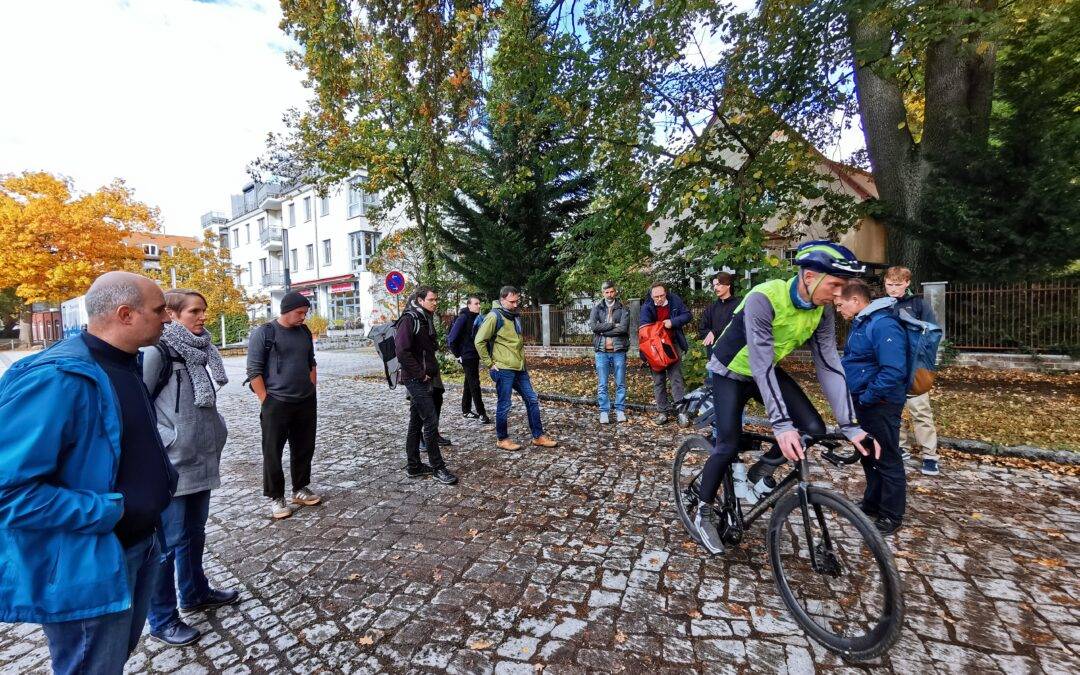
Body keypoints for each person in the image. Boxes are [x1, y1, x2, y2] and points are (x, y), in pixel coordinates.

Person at [0, 271, 177, 674]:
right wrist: (109, 511)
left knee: (112, 658)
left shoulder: (126, 365)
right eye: (158, 309)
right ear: (125, 314)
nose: (167, 317)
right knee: (89, 664)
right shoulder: (58, 378)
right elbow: (8, 492)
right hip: (91, 561)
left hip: (142, 543)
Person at [693, 241, 880, 554]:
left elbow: (829, 363)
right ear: (809, 276)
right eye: (835, 285)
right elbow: (760, 360)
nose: (840, 295)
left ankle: (760, 470)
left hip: (763, 370)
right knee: (727, 444)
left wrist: (850, 425)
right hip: (730, 371)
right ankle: (703, 510)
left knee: (814, 429)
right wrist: (780, 425)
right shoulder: (763, 298)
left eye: (844, 286)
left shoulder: (821, 311)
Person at [141, 289, 238, 646]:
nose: (202, 317)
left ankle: (195, 592)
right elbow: (139, 406)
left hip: (201, 459)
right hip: (174, 464)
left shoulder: (199, 352)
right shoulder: (158, 353)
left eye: (204, 311)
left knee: (194, 534)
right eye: (194, 311)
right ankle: (163, 618)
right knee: (167, 544)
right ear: (172, 314)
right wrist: (169, 438)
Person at [837, 280, 908, 535]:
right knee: (869, 454)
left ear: (856, 301)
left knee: (887, 456)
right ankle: (873, 502)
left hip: (880, 403)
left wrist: (868, 397)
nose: (838, 309)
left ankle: (891, 514)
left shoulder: (882, 324)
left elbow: (893, 370)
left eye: (840, 304)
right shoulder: (862, 323)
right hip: (864, 401)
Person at [247, 291, 321, 520]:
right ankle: (276, 496)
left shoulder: (304, 332)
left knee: (304, 447)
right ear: (286, 311)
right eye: (300, 313)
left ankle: (300, 488)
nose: (303, 317)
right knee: (272, 451)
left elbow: (311, 362)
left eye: (305, 313)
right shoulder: (265, 333)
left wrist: (311, 388)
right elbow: (254, 371)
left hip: (305, 400)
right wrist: (265, 400)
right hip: (276, 403)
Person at [474, 286, 558, 451]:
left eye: (517, 300)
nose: (515, 304)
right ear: (503, 299)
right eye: (512, 301)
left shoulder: (513, 315)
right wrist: (490, 363)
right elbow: (479, 341)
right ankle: (502, 439)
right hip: (503, 369)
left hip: (519, 367)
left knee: (532, 399)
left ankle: (538, 436)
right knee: (504, 404)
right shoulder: (494, 316)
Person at [396, 286, 458, 485]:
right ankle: (438, 467)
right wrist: (420, 374)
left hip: (423, 378)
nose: (435, 302)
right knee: (431, 421)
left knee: (416, 422)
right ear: (420, 300)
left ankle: (414, 466)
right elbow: (402, 351)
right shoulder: (409, 319)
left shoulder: (424, 318)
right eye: (431, 299)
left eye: (435, 299)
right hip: (416, 380)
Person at [884, 266, 942, 476]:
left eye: (897, 285)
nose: (893, 289)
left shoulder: (918, 304)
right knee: (894, 411)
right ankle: (901, 448)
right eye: (889, 284)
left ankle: (929, 456)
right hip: (891, 368)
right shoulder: (882, 306)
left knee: (921, 412)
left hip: (915, 367)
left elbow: (933, 333)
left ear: (907, 283)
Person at [639, 282, 693, 425]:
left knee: (676, 378)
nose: (659, 299)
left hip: (673, 344)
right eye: (656, 296)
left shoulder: (674, 300)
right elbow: (644, 331)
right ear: (651, 296)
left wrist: (673, 322)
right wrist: (660, 328)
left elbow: (687, 315)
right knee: (658, 380)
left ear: (666, 293)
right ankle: (663, 412)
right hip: (654, 348)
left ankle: (682, 412)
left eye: (662, 295)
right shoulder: (647, 307)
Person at [590, 281, 630, 424]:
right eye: (606, 292)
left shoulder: (623, 308)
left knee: (620, 383)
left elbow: (623, 329)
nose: (609, 294)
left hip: (618, 351)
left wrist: (603, 329)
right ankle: (604, 412)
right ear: (603, 293)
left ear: (615, 292)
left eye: (611, 291)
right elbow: (594, 327)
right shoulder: (597, 308)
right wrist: (613, 325)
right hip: (601, 352)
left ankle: (620, 411)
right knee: (602, 384)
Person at [447, 296, 491, 424]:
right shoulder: (463, 317)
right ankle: (482, 413)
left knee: (469, 383)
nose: (479, 306)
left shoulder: (476, 318)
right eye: (476, 303)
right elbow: (452, 339)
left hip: (473, 355)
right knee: (474, 384)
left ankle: (466, 410)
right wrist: (457, 355)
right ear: (469, 305)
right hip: (467, 356)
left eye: (479, 303)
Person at [699, 272, 740, 355]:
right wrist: (710, 334)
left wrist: (714, 332)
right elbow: (702, 328)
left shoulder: (739, 305)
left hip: (733, 355)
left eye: (718, 284)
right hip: (714, 355)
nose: (715, 288)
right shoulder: (711, 308)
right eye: (714, 285)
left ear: (728, 285)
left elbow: (736, 328)